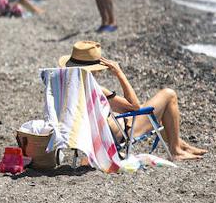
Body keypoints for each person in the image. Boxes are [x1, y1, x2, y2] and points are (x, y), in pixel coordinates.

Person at [60, 41, 207, 162]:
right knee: (169, 95)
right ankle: (176, 150)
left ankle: (182, 145)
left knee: (155, 109)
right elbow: (134, 106)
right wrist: (119, 73)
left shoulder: (69, 89)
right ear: (95, 68)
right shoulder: (96, 90)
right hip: (119, 134)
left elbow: (126, 109)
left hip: (98, 135)